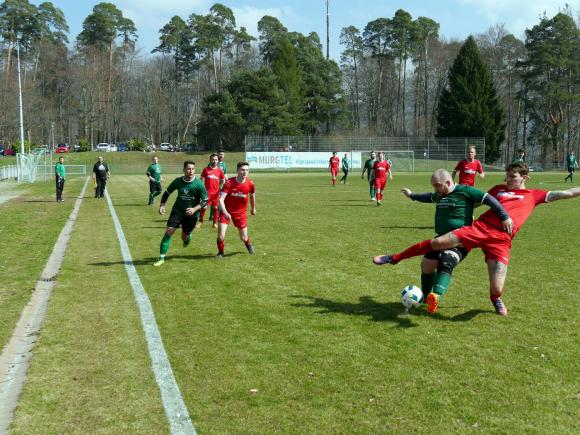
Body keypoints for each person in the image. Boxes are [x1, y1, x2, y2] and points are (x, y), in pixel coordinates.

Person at [373, 162, 580, 316]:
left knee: (497, 286)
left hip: (501, 240)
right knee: (438, 244)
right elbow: (476, 201)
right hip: (480, 228)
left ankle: (495, 299)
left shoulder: (534, 195)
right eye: (507, 176)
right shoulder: (499, 190)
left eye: (513, 177)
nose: (508, 180)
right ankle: (395, 258)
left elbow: (567, 193)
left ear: (525, 178)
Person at [399, 169, 510, 313]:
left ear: (448, 182)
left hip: (461, 239)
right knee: (426, 265)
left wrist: (504, 216)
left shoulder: (466, 191)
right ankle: (426, 297)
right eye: (434, 186)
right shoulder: (440, 194)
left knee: (447, 260)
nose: (435, 189)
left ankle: (436, 296)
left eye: (438, 185)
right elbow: (427, 197)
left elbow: (489, 199)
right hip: (441, 238)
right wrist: (412, 195)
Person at [153, 160, 208, 266]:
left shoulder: (199, 184)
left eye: (193, 169)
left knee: (184, 237)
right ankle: (161, 258)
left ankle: (188, 237)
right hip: (177, 211)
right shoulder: (178, 181)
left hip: (192, 215)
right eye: (188, 168)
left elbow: (205, 200)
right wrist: (162, 205)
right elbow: (167, 192)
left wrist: (194, 209)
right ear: (184, 170)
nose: (191, 171)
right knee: (169, 231)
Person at [216, 161, 256, 258]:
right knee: (221, 235)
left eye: (247, 170)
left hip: (240, 213)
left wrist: (253, 208)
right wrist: (225, 212)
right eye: (242, 170)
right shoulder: (229, 183)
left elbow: (252, 195)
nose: (245, 172)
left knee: (243, 237)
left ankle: (248, 243)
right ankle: (221, 253)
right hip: (226, 212)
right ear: (237, 170)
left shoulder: (250, 183)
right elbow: (221, 199)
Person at [199, 153, 225, 228]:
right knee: (204, 207)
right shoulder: (206, 169)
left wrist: (220, 188)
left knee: (215, 208)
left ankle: (215, 223)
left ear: (218, 161)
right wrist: (202, 188)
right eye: (213, 159)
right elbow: (201, 179)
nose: (214, 161)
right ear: (210, 160)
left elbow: (223, 180)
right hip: (207, 193)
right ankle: (200, 222)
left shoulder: (219, 170)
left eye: (216, 159)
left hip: (216, 194)